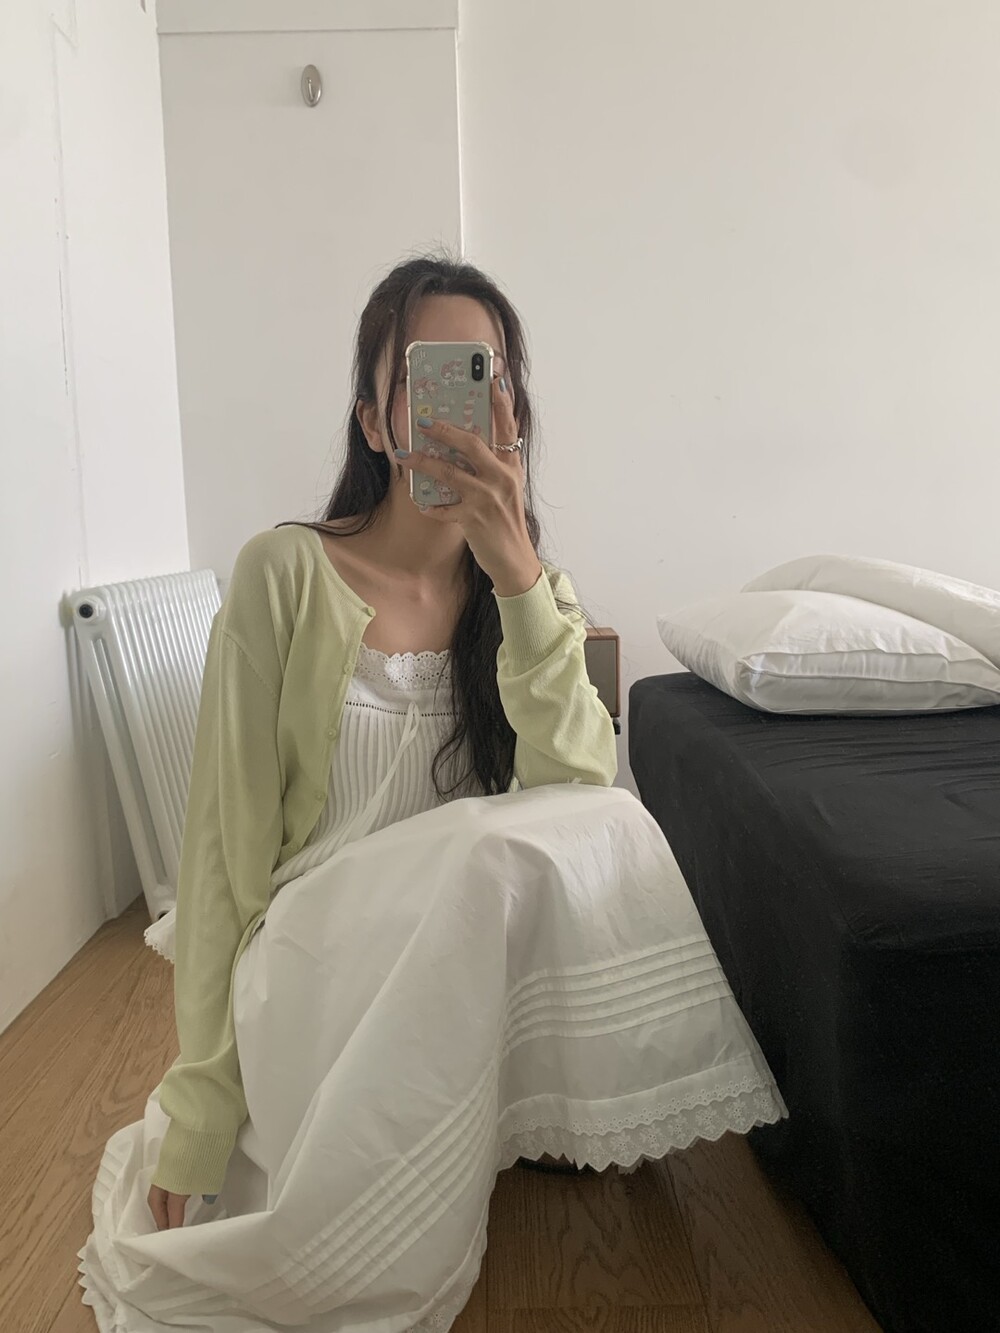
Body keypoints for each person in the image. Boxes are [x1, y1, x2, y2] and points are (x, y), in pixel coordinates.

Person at [79, 256, 786, 1333]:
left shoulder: (535, 591)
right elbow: (221, 852)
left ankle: (522, 1107)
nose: (461, 402)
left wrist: (516, 578)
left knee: (592, 817)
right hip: (312, 964)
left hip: (443, 976)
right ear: (374, 420)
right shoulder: (284, 572)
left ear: (512, 414)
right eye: (427, 375)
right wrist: (202, 1098)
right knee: (482, 846)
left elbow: (576, 798)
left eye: (483, 372)